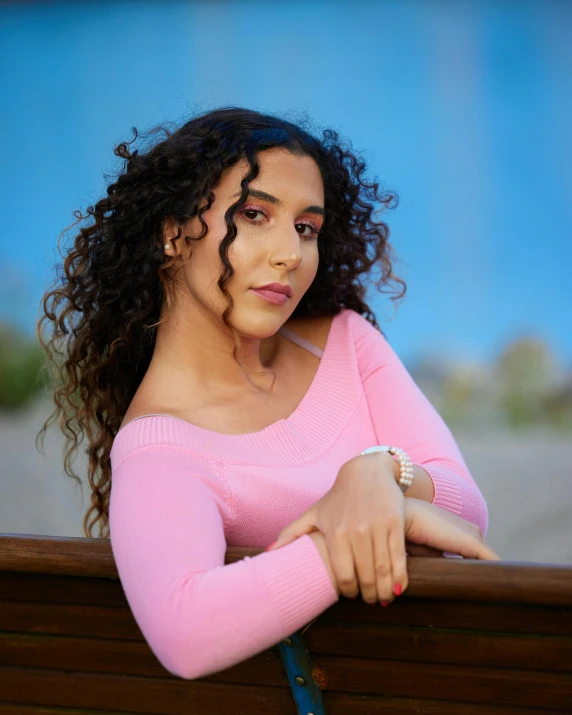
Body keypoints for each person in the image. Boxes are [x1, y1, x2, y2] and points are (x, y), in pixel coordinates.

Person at [37, 106, 499, 681]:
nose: (291, 253)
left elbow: (467, 506)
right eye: (255, 215)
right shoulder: (161, 450)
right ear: (171, 233)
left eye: (307, 227)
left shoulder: (346, 342)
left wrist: (376, 474)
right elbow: (186, 634)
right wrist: (351, 534)